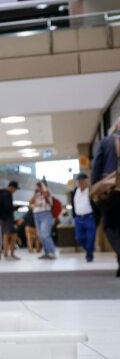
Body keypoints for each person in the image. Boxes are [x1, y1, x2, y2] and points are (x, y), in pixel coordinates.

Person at [91, 118, 120, 276]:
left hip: (112, 191)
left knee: (110, 225)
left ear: (117, 126)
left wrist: (96, 189)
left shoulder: (107, 142)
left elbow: (96, 168)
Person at [70, 172, 99, 263]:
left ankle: (89, 256)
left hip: (89, 217)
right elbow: (73, 205)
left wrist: (97, 218)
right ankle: (89, 249)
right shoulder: (75, 191)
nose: (81, 183)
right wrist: (74, 216)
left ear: (86, 181)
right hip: (78, 218)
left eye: (83, 181)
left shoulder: (91, 191)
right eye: (79, 181)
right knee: (79, 238)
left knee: (90, 238)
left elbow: (97, 205)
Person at [0, 180, 20, 259]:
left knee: (6, 235)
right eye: (15, 189)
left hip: (3, 218)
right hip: (8, 218)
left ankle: (6, 253)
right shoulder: (7, 194)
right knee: (13, 235)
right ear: (11, 187)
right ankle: (11, 254)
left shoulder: (1, 193)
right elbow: (8, 208)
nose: (15, 191)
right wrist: (17, 207)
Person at [30, 180, 58, 259]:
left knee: (45, 234)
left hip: (46, 214)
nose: (38, 187)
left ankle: (52, 252)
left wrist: (43, 188)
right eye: (37, 186)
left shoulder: (48, 192)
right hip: (36, 214)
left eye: (40, 185)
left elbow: (48, 197)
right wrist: (35, 194)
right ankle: (46, 252)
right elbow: (30, 202)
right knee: (40, 235)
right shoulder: (37, 194)